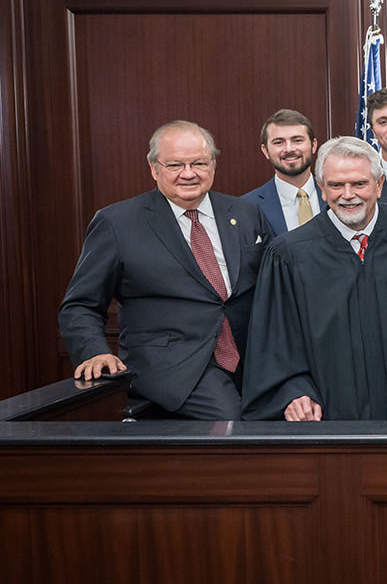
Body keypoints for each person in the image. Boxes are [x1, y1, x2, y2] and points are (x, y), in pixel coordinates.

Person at [58, 121, 270, 419]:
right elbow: (79, 305)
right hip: (172, 365)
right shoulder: (117, 223)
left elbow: (273, 286)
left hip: (251, 358)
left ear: (213, 165)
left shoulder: (245, 213)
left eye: (198, 162)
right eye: (175, 165)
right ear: (154, 168)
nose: (188, 173)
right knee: (234, 425)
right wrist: (94, 351)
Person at [241, 137, 387, 421]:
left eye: (359, 184)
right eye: (336, 185)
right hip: (336, 411)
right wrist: (295, 391)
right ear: (322, 189)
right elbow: (276, 342)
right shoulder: (289, 255)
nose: (348, 194)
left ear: (378, 186)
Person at [243, 109, 327, 236]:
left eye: (297, 140)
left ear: (313, 145)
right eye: (278, 142)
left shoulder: (338, 196)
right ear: (265, 151)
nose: (289, 149)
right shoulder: (246, 208)